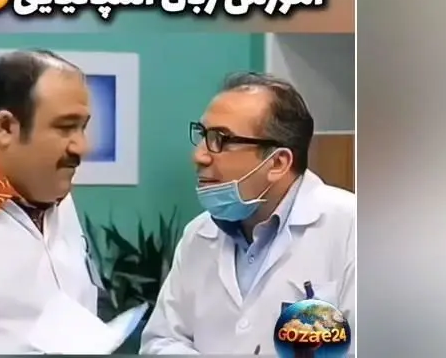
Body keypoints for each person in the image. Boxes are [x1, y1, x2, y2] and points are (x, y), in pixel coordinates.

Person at [140, 72, 355, 355]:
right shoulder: (199, 235)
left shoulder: (353, 227)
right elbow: (161, 341)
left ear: (277, 162)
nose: (199, 156)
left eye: (221, 139)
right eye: (203, 136)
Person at [0, 50, 102, 354]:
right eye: (66, 127)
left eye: (83, 127)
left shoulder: (47, 187)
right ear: (5, 128)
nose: (82, 147)